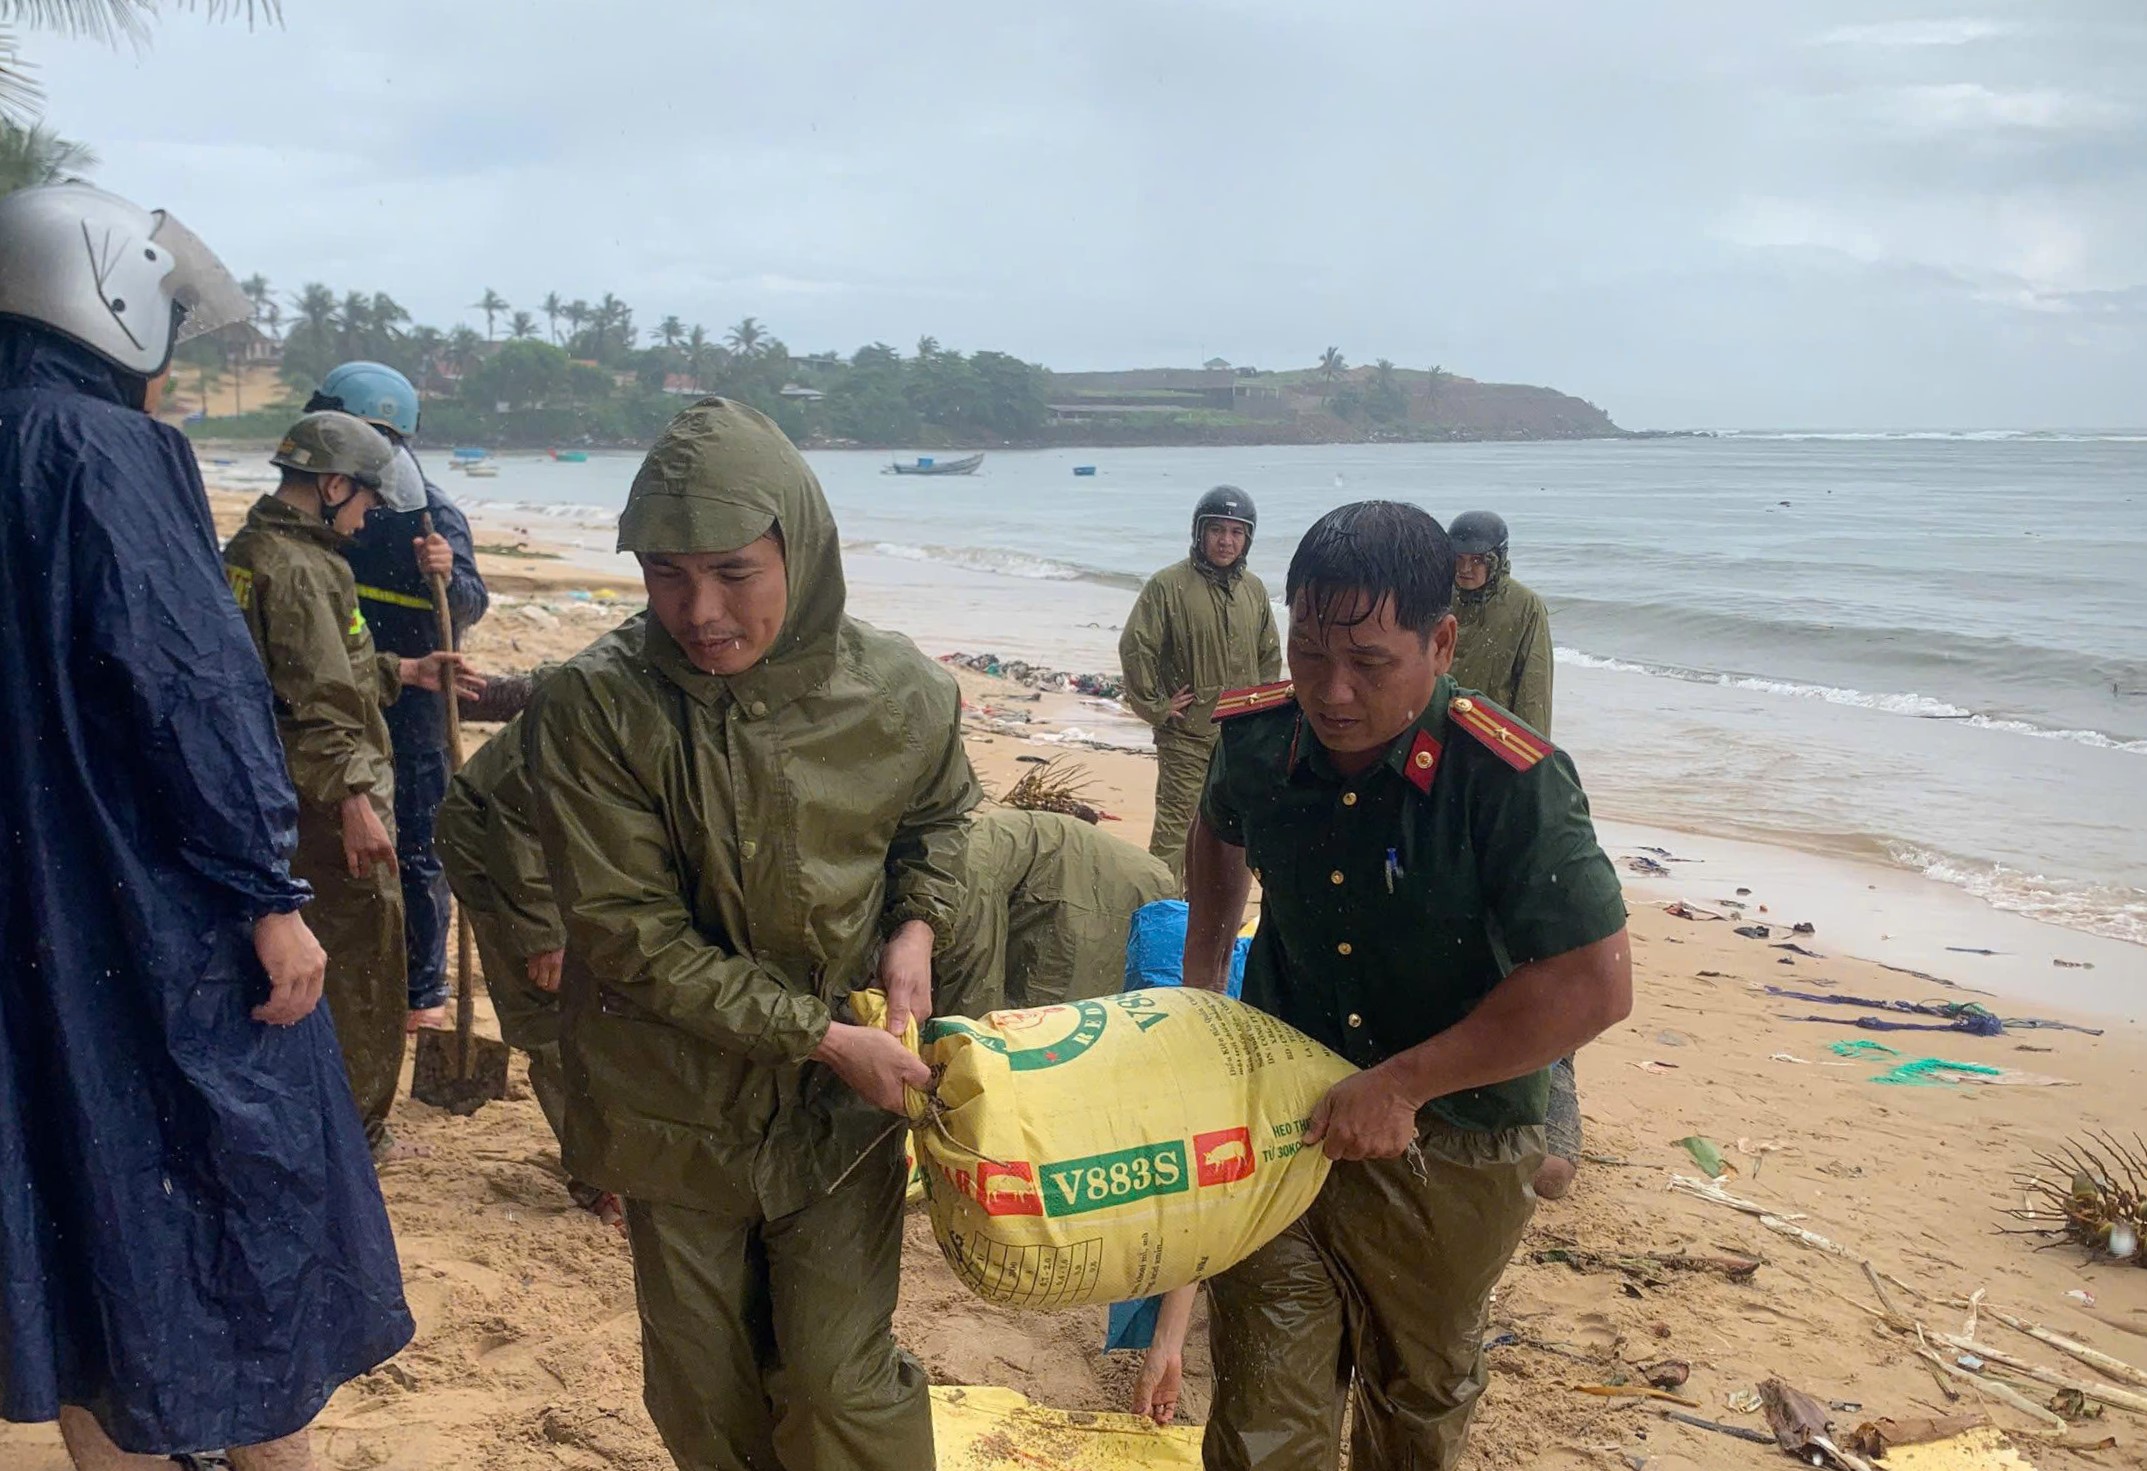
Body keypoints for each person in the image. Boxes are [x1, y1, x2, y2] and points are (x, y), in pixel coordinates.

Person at [0, 182, 412, 1469]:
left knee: (71, 1217)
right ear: (112, 303)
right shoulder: (103, 450)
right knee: (246, 1196)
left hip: (27, 918)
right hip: (148, 902)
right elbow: (187, 683)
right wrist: (265, 893)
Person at [524, 398, 978, 1471]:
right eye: (665, 575)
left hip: (834, 1118)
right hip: (670, 1102)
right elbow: (629, 935)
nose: (698, 609)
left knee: (834, 1379)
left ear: (801, 548)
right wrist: (821, 1037)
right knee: (704, 1392)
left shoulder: (902, 691)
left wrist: (917, 921)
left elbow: (940, 817)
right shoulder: (592, 708)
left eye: (733, 571)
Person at [1153, 500, 1632, 1467]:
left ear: (1441, 639)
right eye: (1309, 653)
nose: (1332, 692)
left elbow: (1592, 985)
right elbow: (1217, 839)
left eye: (1370, 663)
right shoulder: (1258, 738)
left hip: (1455, 1143)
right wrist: (1203, 985)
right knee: (1259, 1409)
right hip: (1283, 1116)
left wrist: (1404, 1083)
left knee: (1416, 1404)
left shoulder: (1506, 779)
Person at [223, 410, 480, 1162]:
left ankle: (312, 1113)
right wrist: (355, 804)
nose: (370, 515)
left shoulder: (255, 551)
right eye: (365, 497)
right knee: (364, 959)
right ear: (333, 484)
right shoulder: (304, 570)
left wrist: (408, 670)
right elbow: (319, 702)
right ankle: (358, 1129)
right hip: (329, 796)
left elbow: (337, 663)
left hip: (286, 791)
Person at [306, 361, 489, 1031]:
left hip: (413, 709)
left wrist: (446, 575)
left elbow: (469, 602)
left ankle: (421, 996)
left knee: (416, 850)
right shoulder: (318, 513)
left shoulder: (432, 514)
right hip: (335, 696)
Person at [435, 661, 621, 1224]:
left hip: (561, 841)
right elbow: (513, 822)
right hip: (493, 842)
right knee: (553, 1020)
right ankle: (601, 1180)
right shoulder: (597, 705)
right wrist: (543, 934)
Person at [1446, 509, 1578, 1198]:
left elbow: (1534, 700)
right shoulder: (1437, 602)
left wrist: (1522, 777)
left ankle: (1542, 1111)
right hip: (1438, 766)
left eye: (1475, 558)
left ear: (1496, 558)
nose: (1465, 567)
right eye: (1457, 557)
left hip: (1497, 767)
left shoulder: (1525, 610)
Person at [1118, 486, 1280, 883]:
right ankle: (1161, 910)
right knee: (1176, 832)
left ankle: (1213, 912)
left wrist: (1258, 711)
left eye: (1236, 532)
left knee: (1233, 830)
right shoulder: (1167, 586)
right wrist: (1156, 706)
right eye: (1217, 530)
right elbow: (1136, 646)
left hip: (1238, 738)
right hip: (1186, 736)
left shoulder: (1254, 590)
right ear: (1199, 532)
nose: (1226, 541)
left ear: (1248, 538)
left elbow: (1269, 653)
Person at [935, 806, 1177, 1016]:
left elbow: (970, 1000)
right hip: (1135, 876)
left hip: (1082, 889)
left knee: (1047, 1030)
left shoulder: (956, 892)